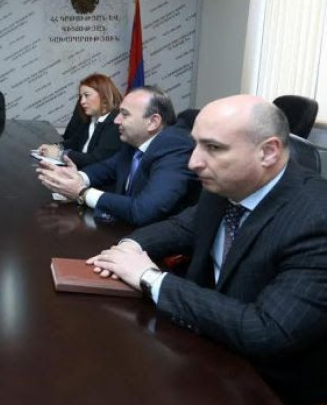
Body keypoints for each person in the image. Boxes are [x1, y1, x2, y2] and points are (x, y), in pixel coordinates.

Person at [86, 95, 327, 404]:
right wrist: (129, 248)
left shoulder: (317, 218)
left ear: (268, 152)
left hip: (267, 384)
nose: (193, 162)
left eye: (213, 148)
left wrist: (150, 278)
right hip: (205, 350)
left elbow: (266, 330)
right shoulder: (227, 184)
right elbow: (181, 227)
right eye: (196, 144)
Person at [38, 86, 199, 226]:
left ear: (153, 122)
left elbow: (143, 210)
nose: (116, 120)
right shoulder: (133, 142)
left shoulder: (175, 148)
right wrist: (77, 177)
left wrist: (82, 193)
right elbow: (107, 168)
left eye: (125, 114)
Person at [38, 73, 123, 168]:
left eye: (87, 95)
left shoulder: (115, 123)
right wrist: (55, 147)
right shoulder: (91, 118)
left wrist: (60, 154)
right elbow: (75, 141)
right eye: (81, 96)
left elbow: (95, 159)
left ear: (104, 97)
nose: (82, 102)